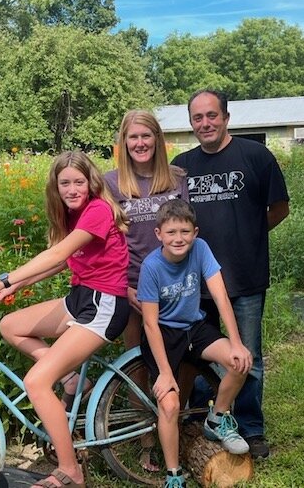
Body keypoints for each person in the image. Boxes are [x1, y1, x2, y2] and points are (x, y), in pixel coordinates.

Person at [0, 151, 130, 488]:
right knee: (10, 326)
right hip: (80, 298)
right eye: (64, 183)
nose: (72, 189)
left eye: (78, 181)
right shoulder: (72, 215)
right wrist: (15, 286)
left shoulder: (98, 210)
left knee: (37, 382)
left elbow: (57, 254)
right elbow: (61, 263)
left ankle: (70, 470)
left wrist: (3, 279)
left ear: (91, 182)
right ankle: (72, 381)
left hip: (104, 305)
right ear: (55, 187)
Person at [171, 89, 290, 459]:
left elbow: (279, 208)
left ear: (226, 117)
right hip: (195, 282)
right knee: (200, 355)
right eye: (197, 118)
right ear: (191, 122)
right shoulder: (181, 166)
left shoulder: (256, 156)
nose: (205, 123)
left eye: (212, 115)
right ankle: (205, 418)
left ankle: (251, 428)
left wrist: (248, 237)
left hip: (244, 276)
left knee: (246, 356)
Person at [137, 199, 253, 488]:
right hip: (162, 333)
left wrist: (236, 342)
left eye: (185, 231)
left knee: (240, 362)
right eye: (172, 232)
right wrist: (164, 372)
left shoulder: (200, 249)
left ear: (196, 232)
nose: (179, 238)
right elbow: (150, 323)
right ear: (158, 234)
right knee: (171, 404)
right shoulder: (151, 267)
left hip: (194, 326)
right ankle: (174, 474)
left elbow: (220, 297)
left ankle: (216, 418)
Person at [104, 109, 188, 471]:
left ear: (157, 140)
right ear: (123, 143)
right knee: (137, 366)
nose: (140, 143)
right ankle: (145, 441)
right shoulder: (110, 184)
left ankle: (177, 430)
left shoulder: (177, 179)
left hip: (175, 287)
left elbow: (187, 233)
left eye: (146, 136)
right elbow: (108, 241)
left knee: (177, 362)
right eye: (133, 137)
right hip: (134, 287)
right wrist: (124, 287)